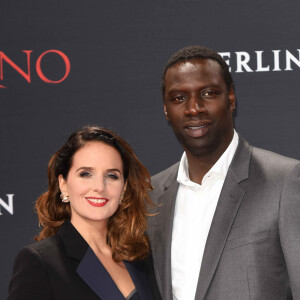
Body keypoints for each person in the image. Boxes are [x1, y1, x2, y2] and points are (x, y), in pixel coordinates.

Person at [147, 46, 300, 300]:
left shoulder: (284, 182)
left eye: (208, 93)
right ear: (166, 109)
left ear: (231, 98)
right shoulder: (150, 196)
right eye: (179, 98)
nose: (194, 108)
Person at [8, 125, 161, 300]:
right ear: (63, 184)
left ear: (124, 188)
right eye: (86, 174)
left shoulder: (140, 255)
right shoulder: (40, 262)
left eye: (112, 176)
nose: (99, 187)